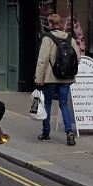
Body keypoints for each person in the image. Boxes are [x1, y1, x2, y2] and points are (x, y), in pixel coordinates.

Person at [34, 13, 77, 146]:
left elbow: (42, 61)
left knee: (47, 104)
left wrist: (38, 79)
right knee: (64, 105)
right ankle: (69, 132)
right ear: (61, 24)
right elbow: (77, 57)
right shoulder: (70, 39)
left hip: (50, 78)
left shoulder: (47, 39)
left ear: (50, 24)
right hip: (66, 78)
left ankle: (46, 133)